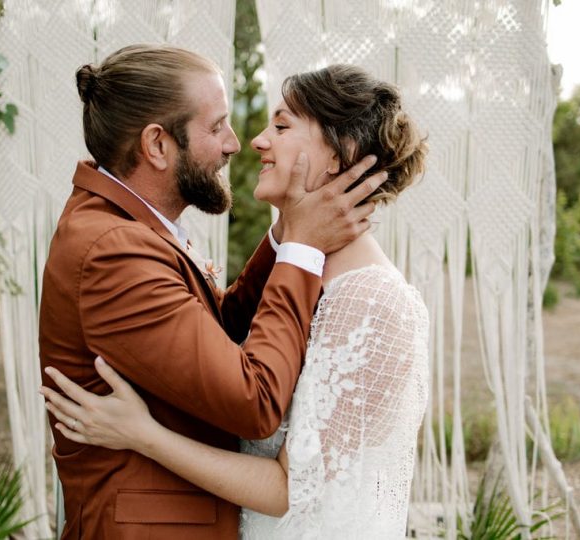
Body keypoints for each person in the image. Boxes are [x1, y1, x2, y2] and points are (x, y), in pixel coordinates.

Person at [42, 64, 430, 538]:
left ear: (340, 155)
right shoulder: (114, 247)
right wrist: (298, 241)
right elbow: (250, 391)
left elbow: (219, 338)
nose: (246, 142)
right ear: (156, 145)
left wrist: (294, 238)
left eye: (282, 126)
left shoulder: (371, 300)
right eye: (215, 126)